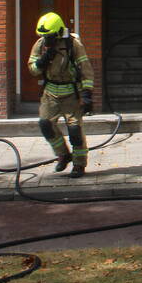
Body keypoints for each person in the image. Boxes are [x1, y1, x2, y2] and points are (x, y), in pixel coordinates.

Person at [28, 12, 94, 178]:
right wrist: (43, 60)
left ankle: (79, 165)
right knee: (45, 124)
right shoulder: (41, 44)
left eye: (49, 36)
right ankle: (63, 154)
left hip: (71, 94)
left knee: (75, 131)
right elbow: (33, 69)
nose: (46, 39)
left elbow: (85, 68)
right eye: (43, 36)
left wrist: (87, 94)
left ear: (58, 31)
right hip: (50, 93)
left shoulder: (73, 44)